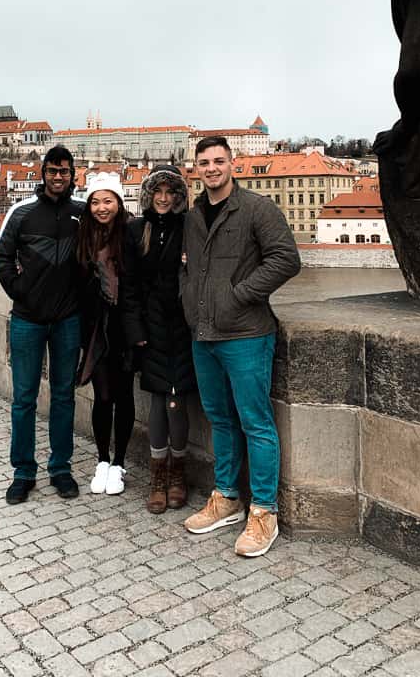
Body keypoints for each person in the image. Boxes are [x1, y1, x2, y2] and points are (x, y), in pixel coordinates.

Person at [181, 136, 300, 557]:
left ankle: (264, 512)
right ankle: (227, 497)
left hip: (247, 333)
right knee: (221, 419)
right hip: (204, 334)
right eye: (203, 162)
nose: (211, 168)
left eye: (218, 161)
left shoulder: (257, 209)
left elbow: (287, 259)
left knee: (256, 422)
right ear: (194, 168)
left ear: (233, 164)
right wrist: (190, 305)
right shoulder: (193, 215)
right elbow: (189, 269)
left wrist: (240, 294)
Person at [0, 145, 84, 504]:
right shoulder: (22, 213)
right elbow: (1, 258)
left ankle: (60, 468)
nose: (58, 177)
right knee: (24, 399)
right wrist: (20, 291)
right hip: (28, 319)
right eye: (52, 171)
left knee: (64, 396)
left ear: (73, 175)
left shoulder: (81, 213)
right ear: (43, 174)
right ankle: (23, 472)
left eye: (64, 171)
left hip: (67, 319)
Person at [122, 164, 194, 514]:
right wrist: (135, 330)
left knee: (176, 401)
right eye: (158, 192)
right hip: (150, 329)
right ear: (149, 195)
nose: (164, 198)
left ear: (179, 197)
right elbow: (129, 287)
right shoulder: (136, 229)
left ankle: (178, 472)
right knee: (156, 402)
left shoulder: (189, 227)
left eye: (170, 192)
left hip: (182, 327)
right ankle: (158, 476)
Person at [77, 172, 141, 496]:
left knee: (124, 395)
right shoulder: (83, 235)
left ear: (118, 202)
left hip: (124, 326)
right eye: (96, 201)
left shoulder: (131, 232)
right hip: (95, 329)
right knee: (102, 396)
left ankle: (118, 463)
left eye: (108, 201)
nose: (102, 207)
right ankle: (102, 459)